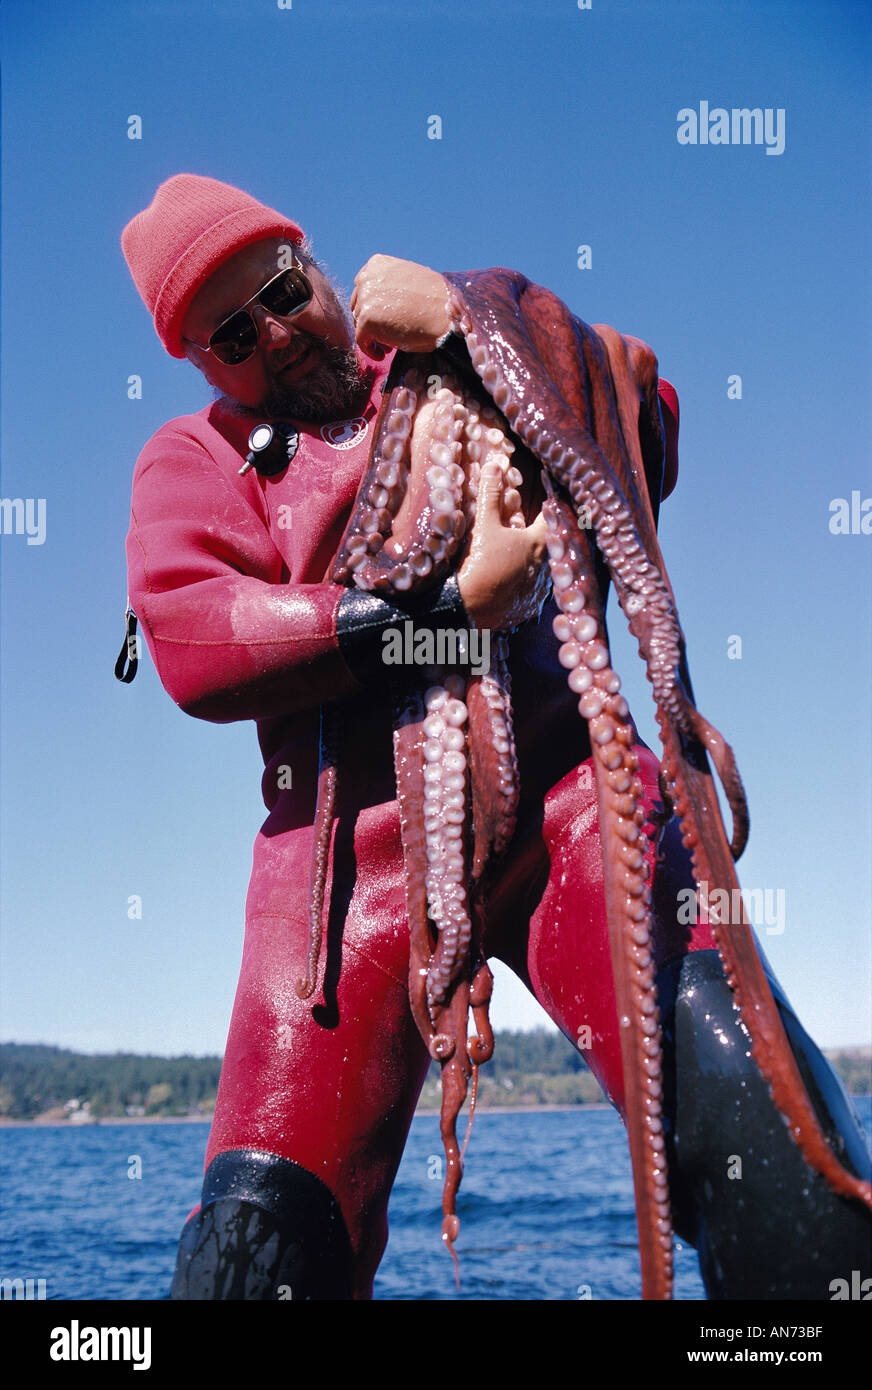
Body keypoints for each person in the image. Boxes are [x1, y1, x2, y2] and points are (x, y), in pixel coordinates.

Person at [119, 173, 871, 1301]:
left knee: (782, 1157)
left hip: (578, 797)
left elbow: (645, 420)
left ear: (316, 262)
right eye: (232, 334)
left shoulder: (449, 345)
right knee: (254, 1253)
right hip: (343, 890)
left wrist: (475, 322)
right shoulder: (197, 459)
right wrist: (435, 613)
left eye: (283, 290)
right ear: (198, 363)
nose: (275, 335)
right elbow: (191, 637)